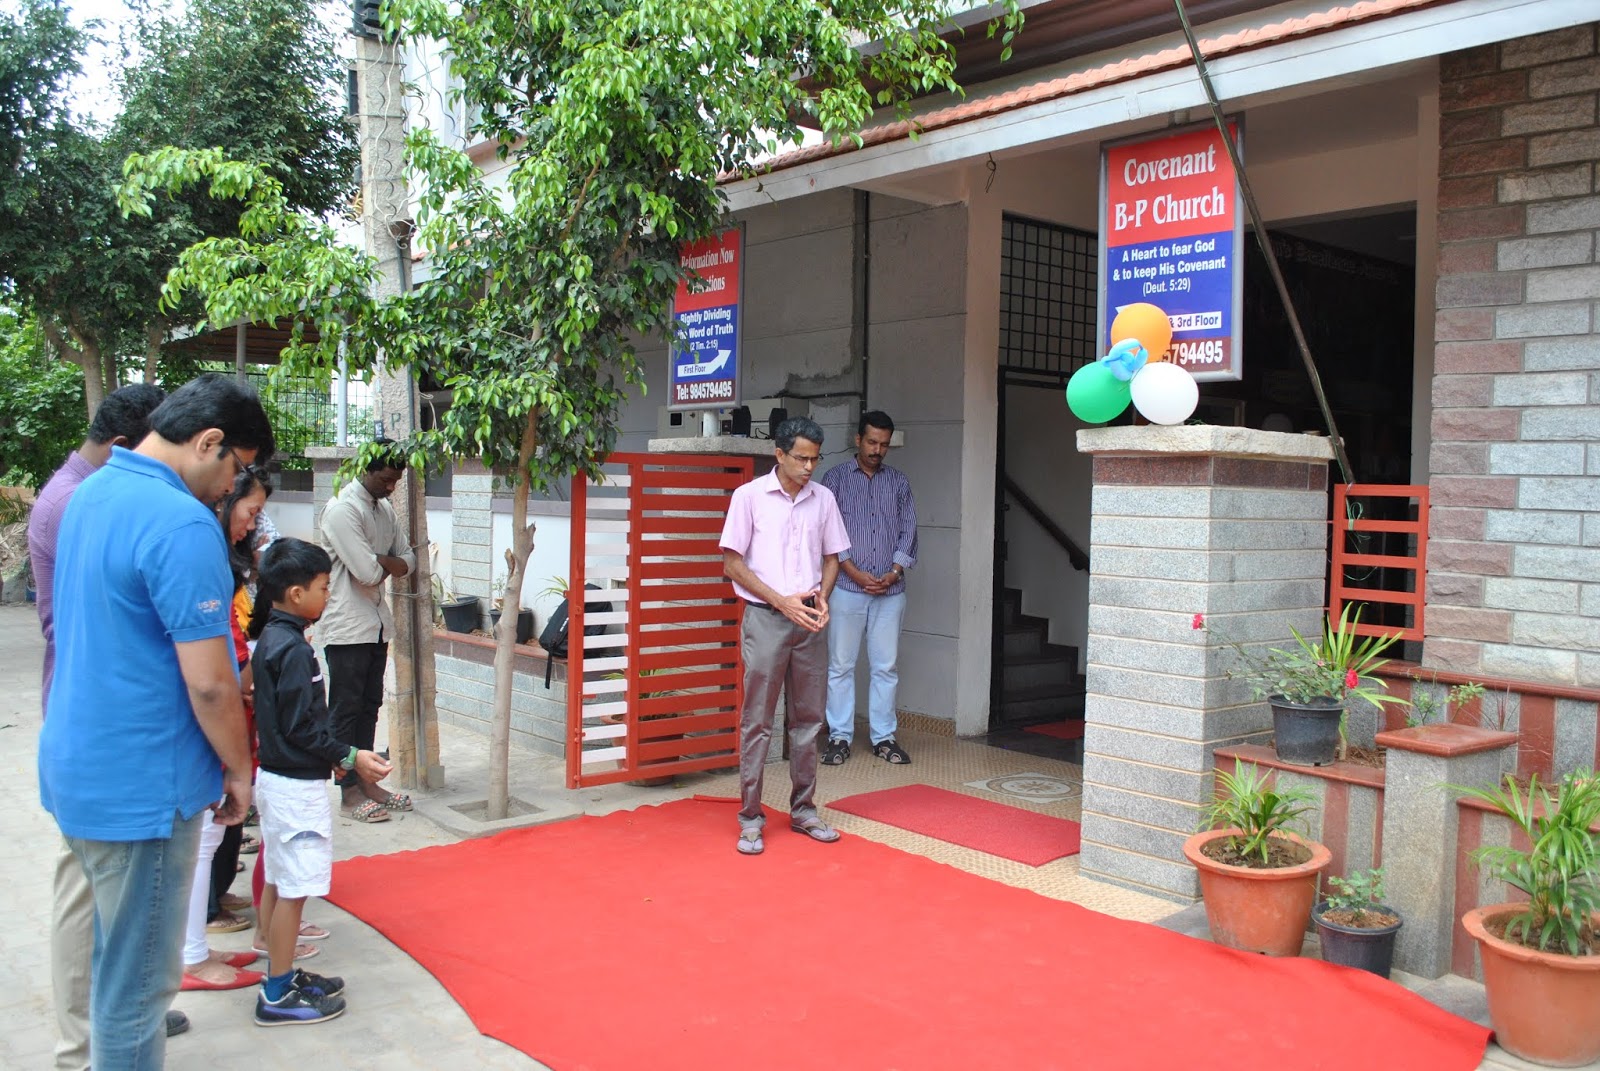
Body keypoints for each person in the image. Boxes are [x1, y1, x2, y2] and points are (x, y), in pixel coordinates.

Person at [38, 372, 274, 1067]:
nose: (232, 488)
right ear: (208, 441)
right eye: (238, 468)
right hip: (143, 787)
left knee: (111, 964)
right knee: (137, 991)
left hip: (78, 767)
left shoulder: (88, 493)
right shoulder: (180, 521)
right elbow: (210, 684)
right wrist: (238, 768)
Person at [25, 384, 177, 1068]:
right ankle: (82, 1044)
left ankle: (117, 1014)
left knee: (106, 890)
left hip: (90, 715)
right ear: (123, 447)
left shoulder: (84, 495)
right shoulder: (77, 502)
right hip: (91, 720)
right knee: (87, 890)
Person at [249, 537, 391, 1026]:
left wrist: (330, 757)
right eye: (324, 587)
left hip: (279, 778)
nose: (328, 595)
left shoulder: (275, 638)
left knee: (278, 878)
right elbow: (302, 727)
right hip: (293, 789)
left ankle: (281, 972)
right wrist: (349, 756)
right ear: (296, 594)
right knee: (294, 889)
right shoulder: (290, 648)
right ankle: (276, 993)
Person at [718, 416, 850, 856]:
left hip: (809, 621)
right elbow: (732, 564)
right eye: (801, 458)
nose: (809, 467)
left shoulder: (824, 498)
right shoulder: (749, 497)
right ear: (779, 454)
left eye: (815, 459)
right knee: (758, 721)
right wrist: (781, 601)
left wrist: (823, 596)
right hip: (765, 619)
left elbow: (832, 557)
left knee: (809, 721)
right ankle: (750, 817)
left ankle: (804, 811)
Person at [180, 467, 273, 992]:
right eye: (251, 511)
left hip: (226, 713)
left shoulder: (219, 558)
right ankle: (190, 957)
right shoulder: (201, 555)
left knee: (210, 835)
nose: (253, 525)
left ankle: (194, 945)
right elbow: (221, 669)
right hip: (211, 724)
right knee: (204, 835)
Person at [318, 440, 415, 823]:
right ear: (365, 469)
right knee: (345, 711)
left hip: (375, 625)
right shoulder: (343, 509)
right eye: (385, 479)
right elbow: (369, 573)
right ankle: (349, 793)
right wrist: (388, 562)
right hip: (347, 626)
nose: (391, 487)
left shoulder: (384, 509)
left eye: (395, 481)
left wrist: (384, 560)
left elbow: (410, 561)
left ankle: (368, 781)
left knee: (369, 707)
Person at [820, 411, 919, 766]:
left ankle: (884, 737)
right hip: (847, 587)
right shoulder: (834, 480)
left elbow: (909, 531)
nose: (878, 450)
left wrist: (894, 572)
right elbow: (828, 533)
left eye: (884, 444)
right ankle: (839, 737)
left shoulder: (899, 483)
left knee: (885, 667)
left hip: (889, 593)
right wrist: (854, 572)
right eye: (872, 442)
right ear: (858, 439)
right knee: (841, 666)